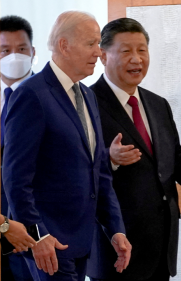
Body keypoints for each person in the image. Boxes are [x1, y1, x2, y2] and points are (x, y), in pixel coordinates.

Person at [86, 18, 181, 280]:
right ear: (103, 56)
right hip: (115, 247)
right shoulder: (86, 103)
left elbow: (171, 155)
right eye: (126, 51)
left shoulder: (157, 104)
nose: (136, 59)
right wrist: (110, 159)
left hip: (160, 244)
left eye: (142, 50)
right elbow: (73, 166)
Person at [2, 11, 132, 280]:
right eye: (91, 44)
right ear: (64, 45)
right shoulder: (30, 95)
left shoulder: (86, 94)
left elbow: (100, 172)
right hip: (48, 245)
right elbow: (15, 177)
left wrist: (116, 229)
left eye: (99, 44)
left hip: (82, 243)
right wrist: (38, 235)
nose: (99, 52)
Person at [0, 15, 37, 281]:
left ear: (33, 52)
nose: (14, 56)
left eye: (21, 49)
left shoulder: (52, 97)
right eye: (5, 50)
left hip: (40, 233)